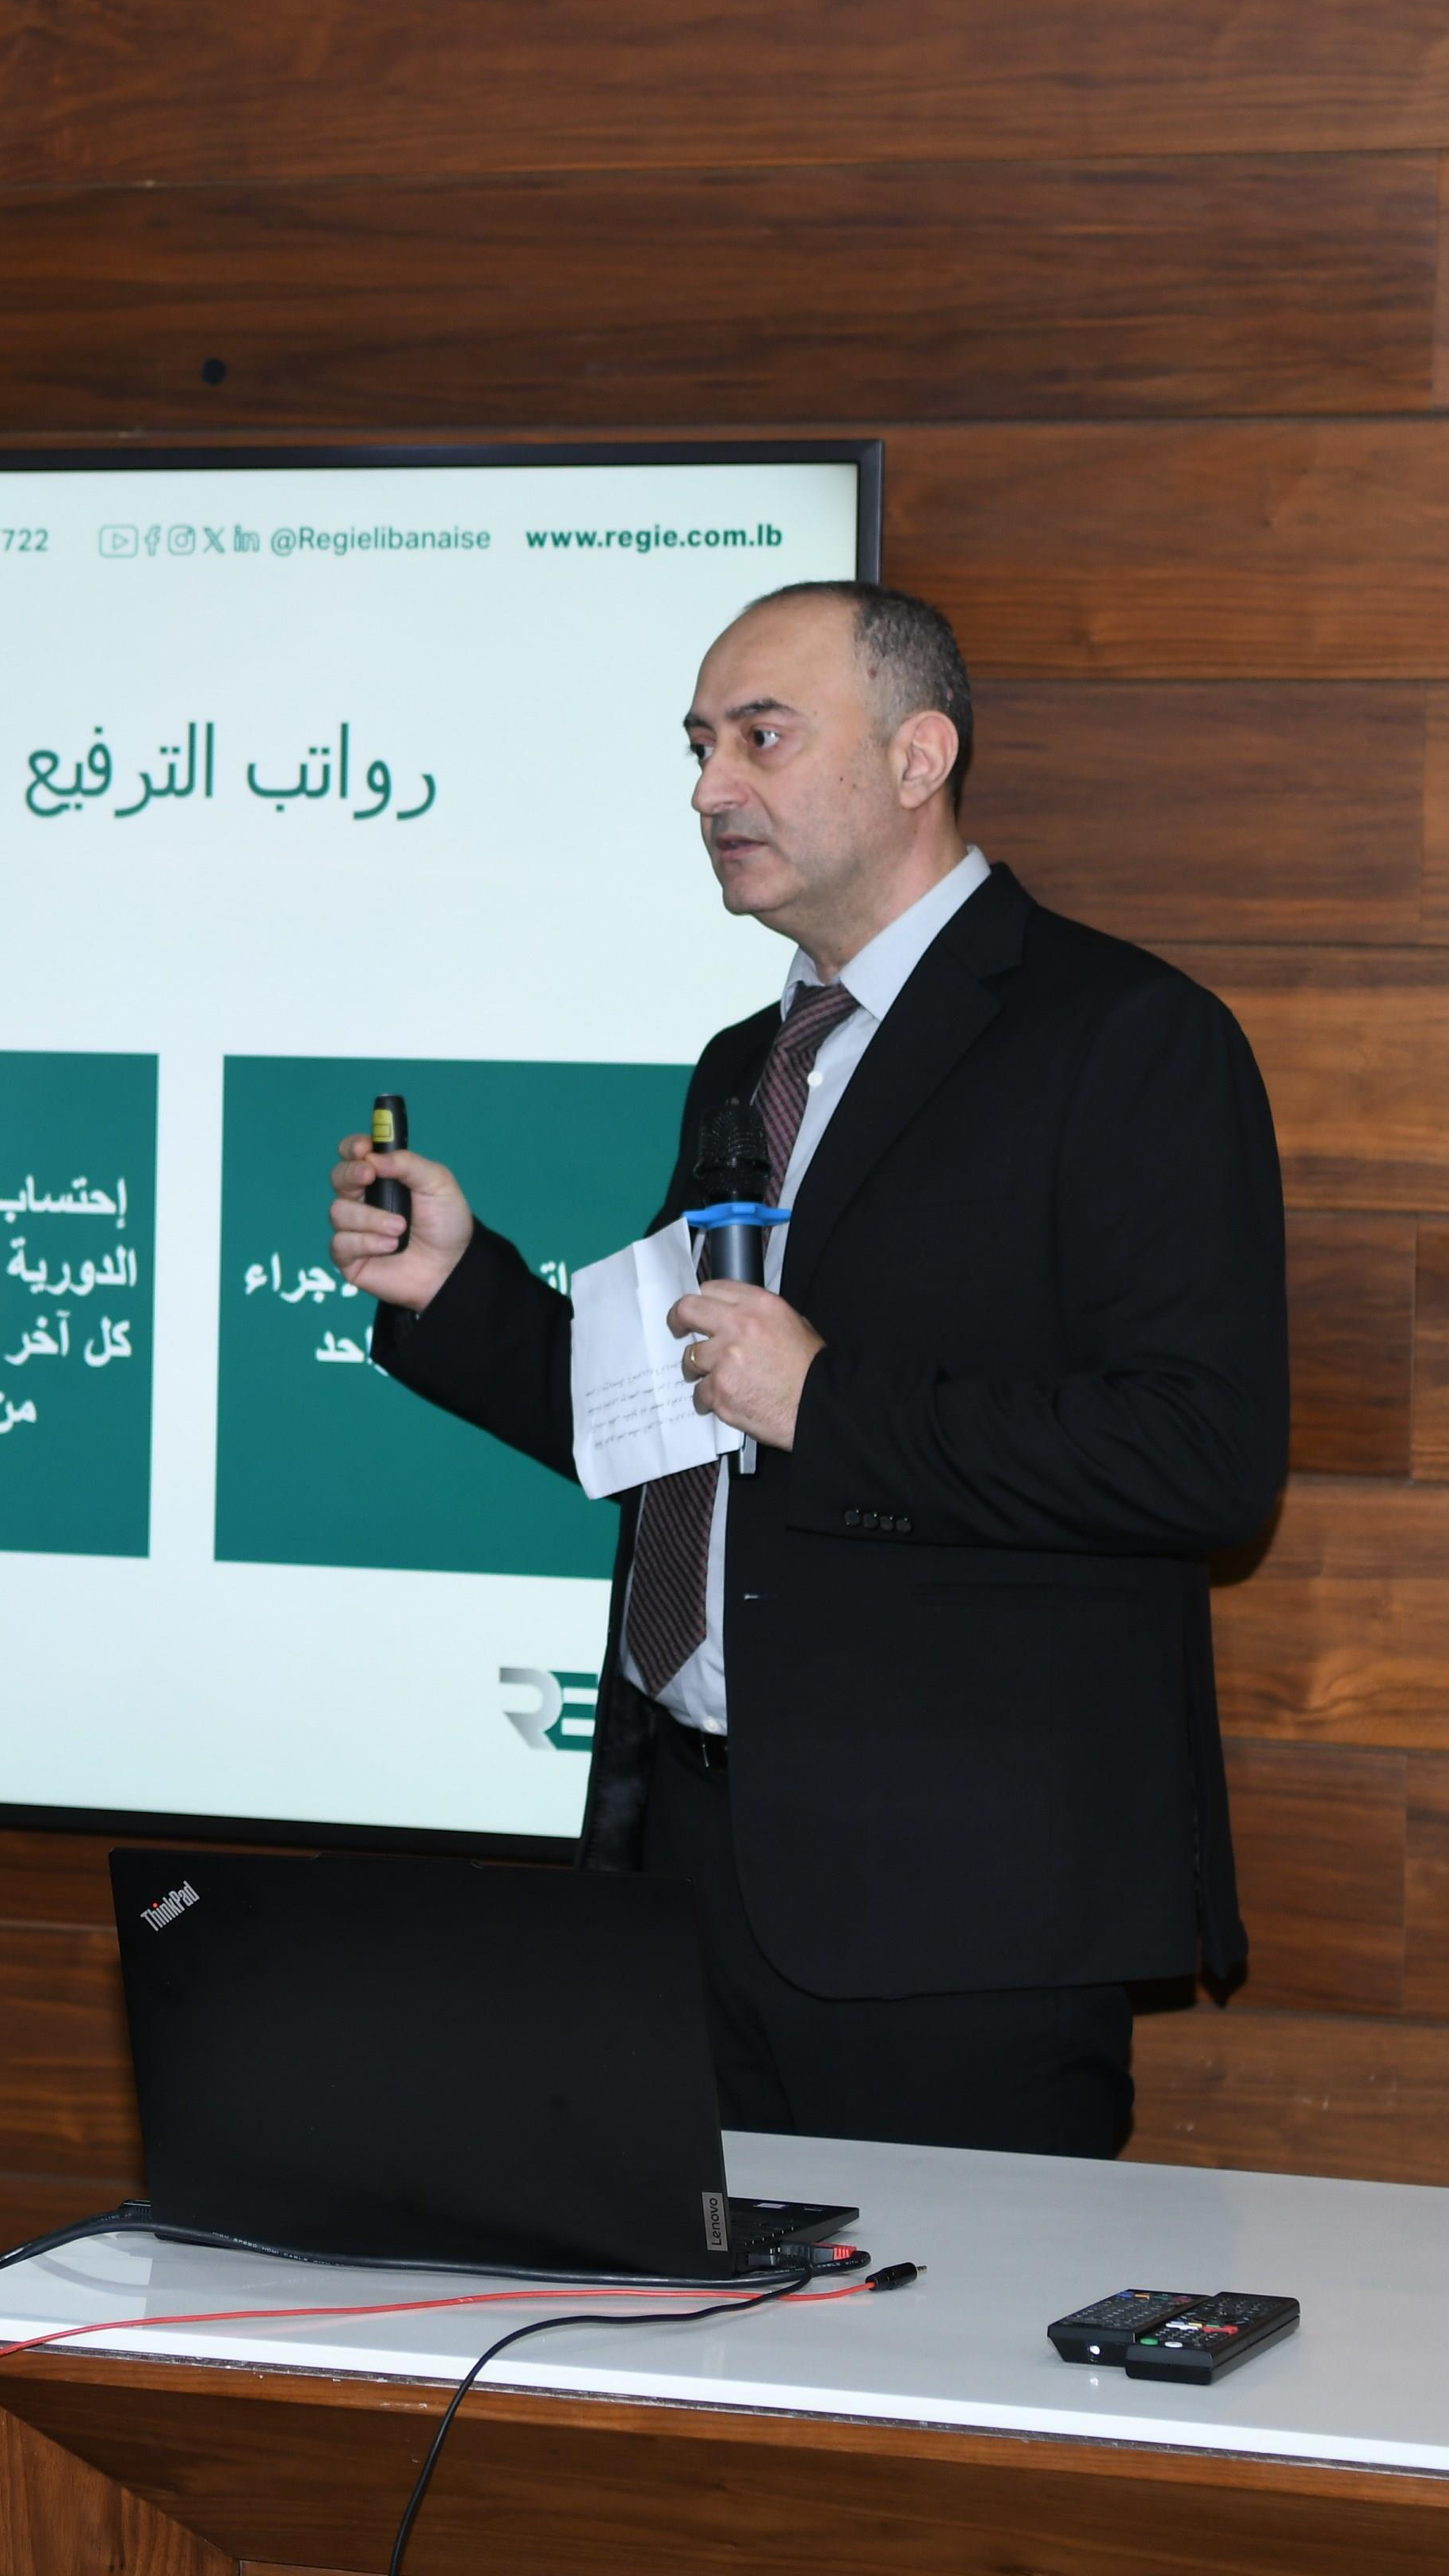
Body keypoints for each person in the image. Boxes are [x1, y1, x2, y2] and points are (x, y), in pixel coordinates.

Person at [328, 581, 1287, 2157]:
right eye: (699, 746)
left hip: (957, 1923)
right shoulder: (750, 1063)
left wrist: (826, 1403)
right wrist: (455, 1289)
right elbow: (671, 1415)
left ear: (919, 756)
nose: (711, 787)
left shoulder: (1124, 1037)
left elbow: (1205, 1455)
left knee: (945, 2331)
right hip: (691, 1879)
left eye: (760, 737)